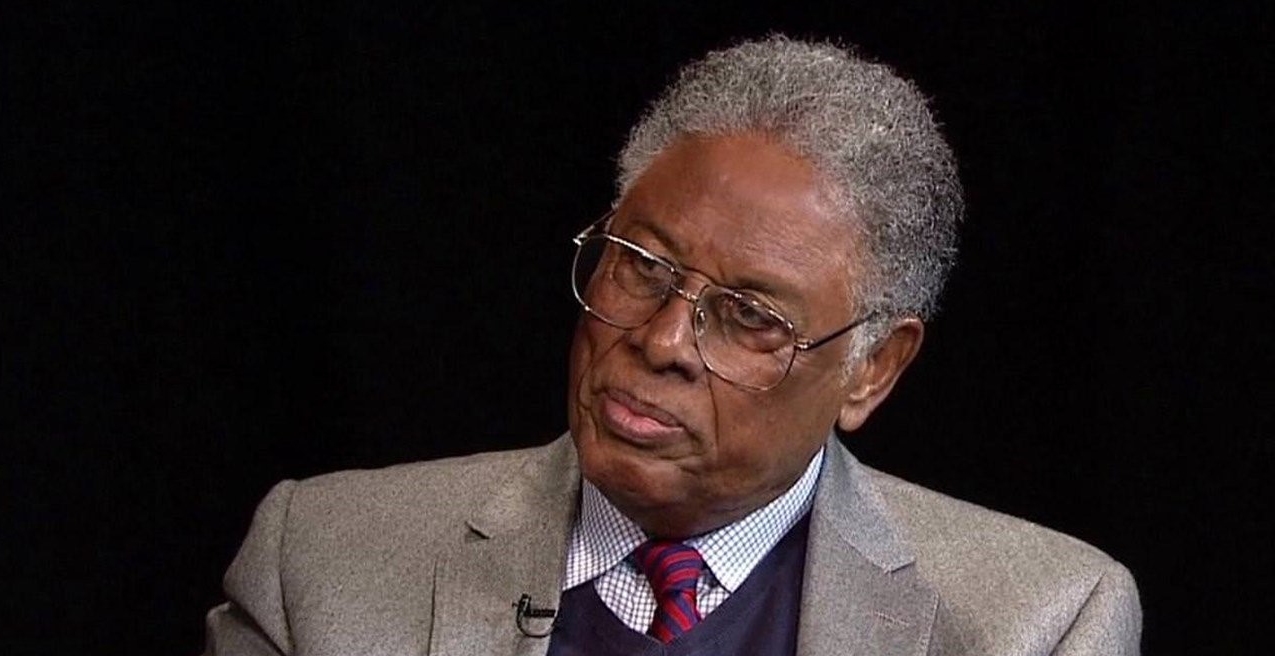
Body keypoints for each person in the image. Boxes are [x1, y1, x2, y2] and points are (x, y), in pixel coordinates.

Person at [202, 36, 1141, 655]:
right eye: (641, 266)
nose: (661, 342)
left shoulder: (1038, 622)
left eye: (750, 316)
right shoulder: (322, 560)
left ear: (872, 369)